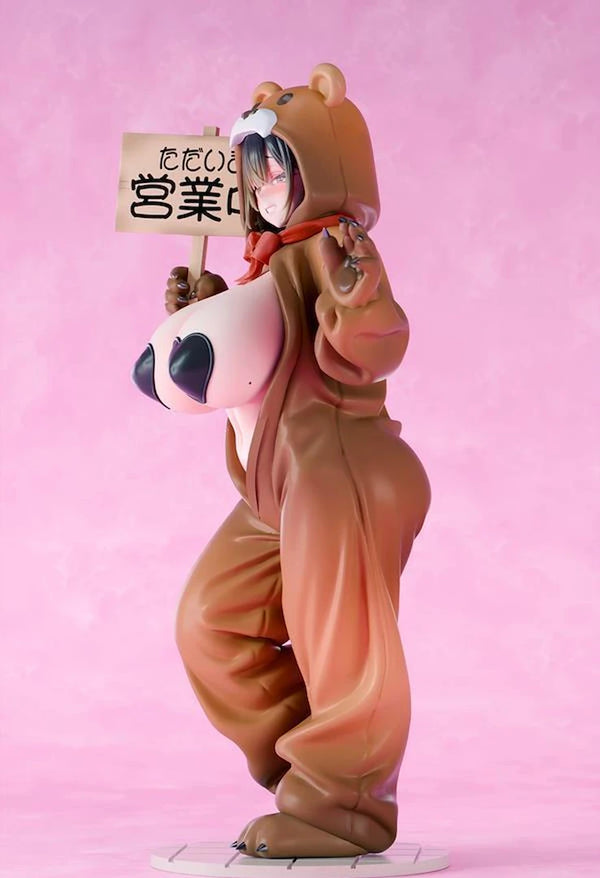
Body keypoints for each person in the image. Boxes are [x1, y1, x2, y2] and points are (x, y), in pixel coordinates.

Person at [133, 63, 431, 859]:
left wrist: (361, 295)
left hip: (341, 472)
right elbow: (258, 365)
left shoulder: (333, 250)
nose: (262, 185)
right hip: (278, 486)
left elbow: (373, 345)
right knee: (211, 619)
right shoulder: (269, 258)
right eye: (254, 170)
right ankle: (322, 768)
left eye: (278, 167)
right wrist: (206, 307)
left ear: (319, 169)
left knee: (343, 639)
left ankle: (345, 804)